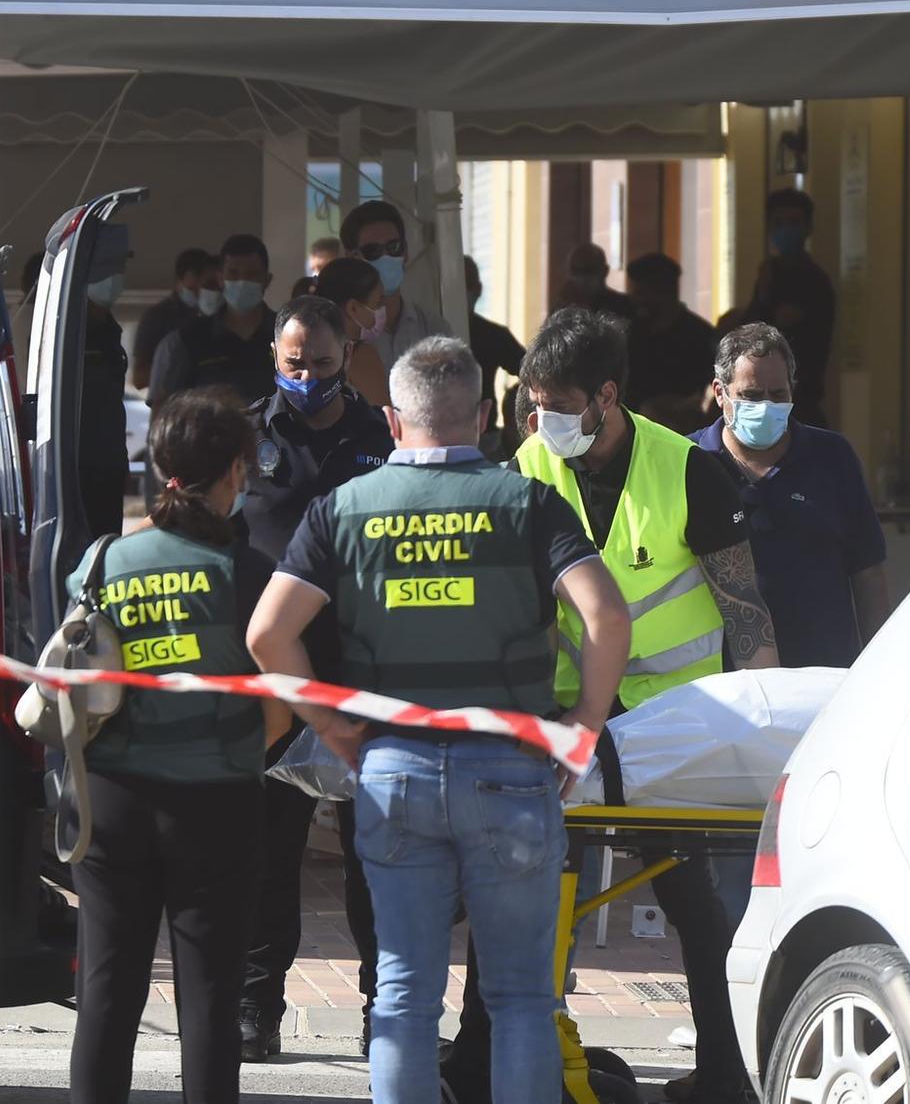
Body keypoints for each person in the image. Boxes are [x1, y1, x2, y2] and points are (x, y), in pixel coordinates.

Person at [247, 337, 630, 1104]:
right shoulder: (525, 502)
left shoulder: (344, 508)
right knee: (522, 997)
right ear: (486, 418)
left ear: (391, 420)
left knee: (403, 995)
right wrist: (583, 725)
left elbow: (267, 634)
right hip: (513, 768)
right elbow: (605, 614)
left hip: (394, 770)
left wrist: (333, 729)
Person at [513, 307, 777, 1104]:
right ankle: (538, 1068)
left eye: (556, 405)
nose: (541, 421)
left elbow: (746, 610)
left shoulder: (686, 469)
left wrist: (769, 729)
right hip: (567, 724)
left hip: (677, 728)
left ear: (606, 396)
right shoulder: (527, 465)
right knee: (540, 897)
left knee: (700, 906)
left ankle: (727, 1075)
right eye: (533, 405)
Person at [68, 390, 292, 1104]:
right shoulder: (250, 577)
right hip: (216, 805)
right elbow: (283, 710)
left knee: (106, 993)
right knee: (210, 1002)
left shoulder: (101, 564)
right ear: (235, 471)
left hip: (111, 804)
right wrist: (233, 754)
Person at [235, 296, 395, 1061]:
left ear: (348, 357)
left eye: (323, 365)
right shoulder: (246, 435)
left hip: (362, 674)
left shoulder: (381, 437)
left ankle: (381, 1011)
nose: (308, 378)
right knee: (266, 857)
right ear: (275, 356)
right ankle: (255, 1007)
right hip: (272, 679)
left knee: (377, 857)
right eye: (294, 364)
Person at [691, 324, 889, 669]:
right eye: (751, 396)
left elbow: (868, 572)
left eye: (778, 394)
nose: (766, 406)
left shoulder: (832, 456)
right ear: (720, 392)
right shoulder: (689, 460)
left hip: (823, 676)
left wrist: (880, 665)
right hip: (718, 682)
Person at [736, 190, 835, 427]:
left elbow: (774, 329)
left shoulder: (812, 280)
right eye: (778, 223)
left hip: (799, 401)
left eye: (793, 222)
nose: (785, 230)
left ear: (808, 227)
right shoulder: (770, 272)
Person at [151, 235, 277, 407]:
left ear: (267, 280)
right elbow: (164, 413)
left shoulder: (284, 336)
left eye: (252, 274)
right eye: (233, 273)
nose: (242, 282)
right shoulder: (187, 342)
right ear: (220, 279)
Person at [340, 200, 448, 365]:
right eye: (373, 251)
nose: (386, 257)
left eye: (394, 247)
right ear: (352, 258)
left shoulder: (433, 329)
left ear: (405, 252)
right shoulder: (338, 333)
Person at [625, 252, 718, 435]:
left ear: (666, 291)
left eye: (641, 294)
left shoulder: (699, 335)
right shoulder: (629, 333)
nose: (635, 301)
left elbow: (719, 386)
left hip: (681, 431)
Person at [79, 256, 132, 538]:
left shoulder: (110, 330)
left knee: (106, 540)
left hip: (109, 461)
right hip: (80, 464)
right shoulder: (72, 330)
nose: (116, 279)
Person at [309, 257, 392, 409]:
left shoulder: (306, 352)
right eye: (378, 302)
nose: (382, 310)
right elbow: (384, 421)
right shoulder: (360, 355)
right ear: (353, 308)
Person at [463, 256, 525, 456]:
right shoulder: (431, 329)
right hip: (440, 438)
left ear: (478, 289)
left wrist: (513, 414)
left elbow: (536, 374)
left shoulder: (493, 336)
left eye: (466, 286)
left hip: (486, 441)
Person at [131, 247, 212, 392]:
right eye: (194, 288)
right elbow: (139, 378)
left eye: (206, 286)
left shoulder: (219, 315)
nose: (200, 292)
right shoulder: (158, 317)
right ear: (179, 281)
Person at [555, 243, 636, 324]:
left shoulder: (623, 307)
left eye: (589, 270)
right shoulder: (561, 311)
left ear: (605, 271)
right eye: (575, 271)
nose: (582, 277)